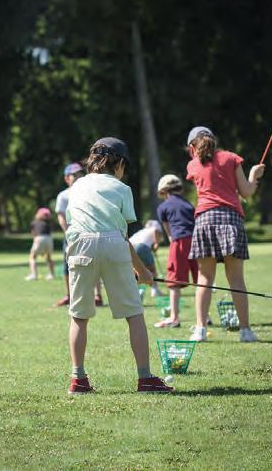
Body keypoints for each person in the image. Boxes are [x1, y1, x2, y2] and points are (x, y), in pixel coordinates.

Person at [65, 137, 173, 394]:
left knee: (79, 316)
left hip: (80, 245)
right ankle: (145, 378)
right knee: (134, 314)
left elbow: (73, 222)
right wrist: (143, 271)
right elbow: (122, 237)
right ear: (120, 163)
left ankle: (78, 379)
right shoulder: (122, 188)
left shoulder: (76, 186)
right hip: (113, 244)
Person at [185, 126, 265, 342]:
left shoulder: (193, 164)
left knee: (204, 278)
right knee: (236, 280)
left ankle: (200, 330)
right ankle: (245, 332)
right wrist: (254, 175)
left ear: (192, 147)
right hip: (231, 219)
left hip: (205, 221)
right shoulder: (231, 158)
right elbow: (246, 192)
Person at [54, 163, 103, 307]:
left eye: (81, 174)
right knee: (68, 266)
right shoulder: (63, 195)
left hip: (88, 233)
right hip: (71, 236)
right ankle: (70, 295)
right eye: (74, 175)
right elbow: (61, 217)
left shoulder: (89, 193)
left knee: (93, 263)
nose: (78, 177)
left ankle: (97, 295)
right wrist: (69, 235)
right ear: (66, 178)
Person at [153, 174, 199, 328]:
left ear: (164, 192)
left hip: (179, 242)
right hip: (196, 241)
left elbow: (169, 234)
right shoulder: (189, 205)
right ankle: (205, 317)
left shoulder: (163, 207)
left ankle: (174, 318)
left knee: (174, 282)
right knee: (200, 281)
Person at [129, 220, 164, 299]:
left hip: (131, 248)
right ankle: (155, 290)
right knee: (152, 269)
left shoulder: (143, 231)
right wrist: (157, 243)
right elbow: (155, 230)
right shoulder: (154, 228)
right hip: (142, 247)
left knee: (135, 270)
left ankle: (135, 292)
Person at [25, 207, 55, 281]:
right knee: (48, 257)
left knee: (32, 257)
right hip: (49, 239)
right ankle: (51, 275)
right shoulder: (49, 223)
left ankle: (34, 275)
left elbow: (34, 234)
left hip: (39, 238)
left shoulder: (34, 222)